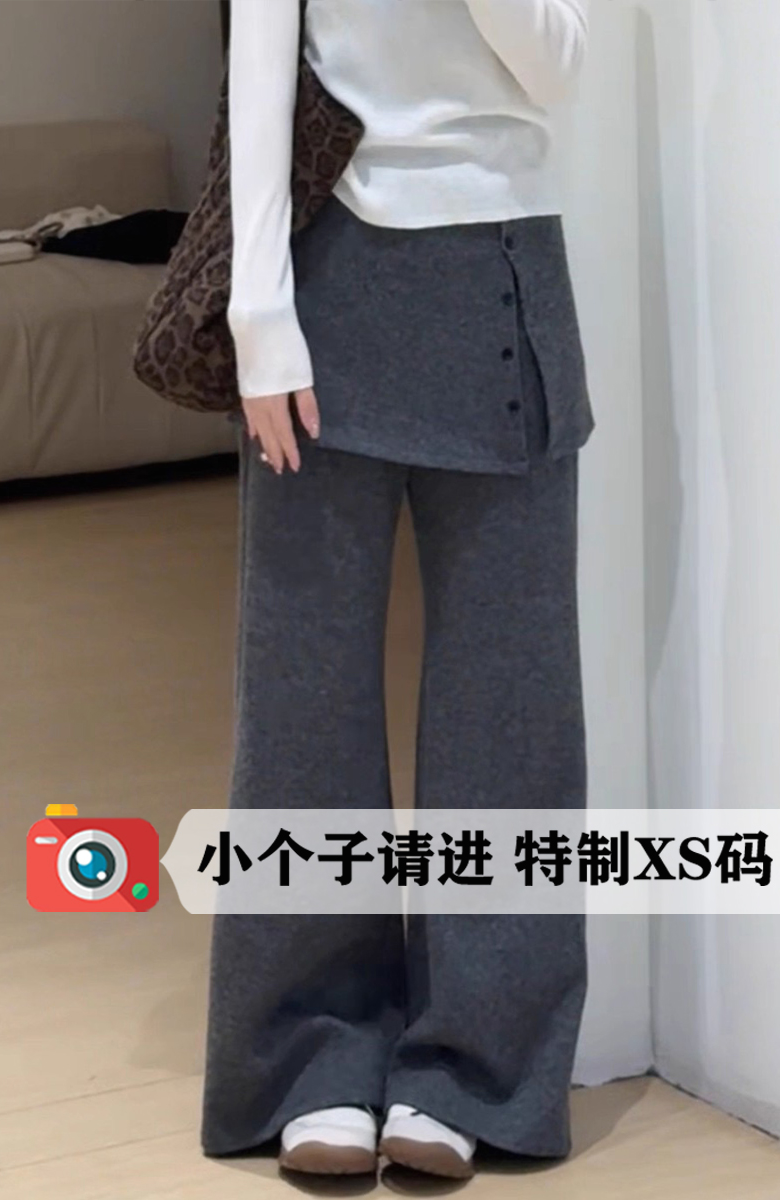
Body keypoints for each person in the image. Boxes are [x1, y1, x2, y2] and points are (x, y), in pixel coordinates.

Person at [201, 0, 595, 1181]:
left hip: (503, 270)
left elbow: (557, 69)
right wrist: (257, 310)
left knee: (510, 701)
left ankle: (479, 1066)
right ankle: (309, 1056)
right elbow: (260, 65)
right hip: (327, 275)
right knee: (302, 696)